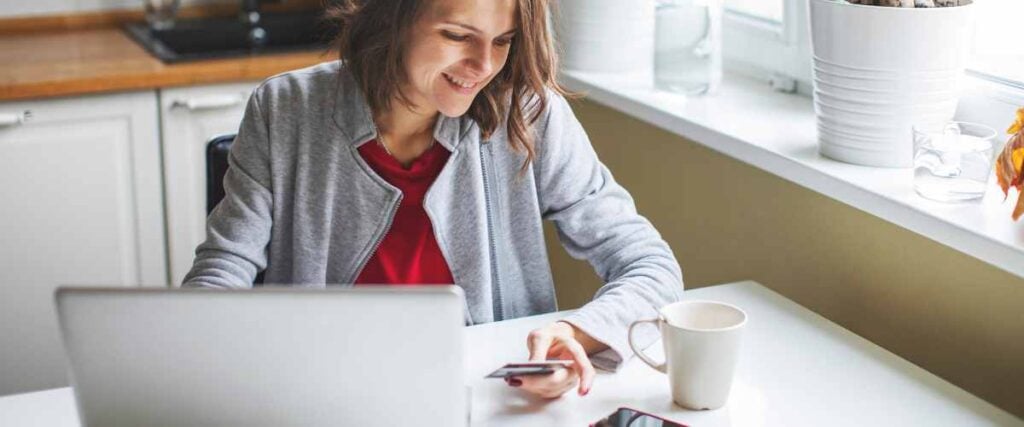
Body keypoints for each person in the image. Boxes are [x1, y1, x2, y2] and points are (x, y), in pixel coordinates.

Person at [183, 0, 683, 399]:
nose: (483, 66)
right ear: (393, 19)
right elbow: (222, 271)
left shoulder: (529, 116)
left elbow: (651, 265)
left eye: (502, 41)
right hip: (315, 399)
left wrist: (575, 333)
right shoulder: (283, 109)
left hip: (489, 401)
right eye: (457, 36)